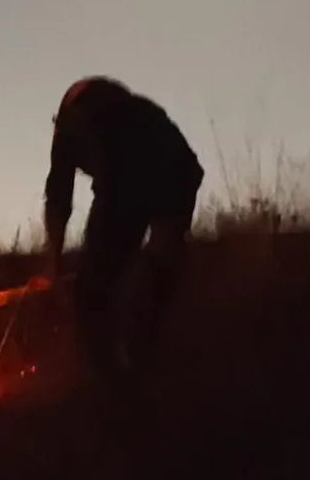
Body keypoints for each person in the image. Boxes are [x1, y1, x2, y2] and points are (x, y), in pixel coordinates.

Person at [31, 76, 203, 379]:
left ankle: (109, 380)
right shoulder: (135, 110)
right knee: (158, 267)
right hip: (179, 165)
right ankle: (140, 366)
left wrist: (52, 265)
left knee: (93, 289)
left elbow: (59, 196)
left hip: (137, 171)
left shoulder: (73, 122)